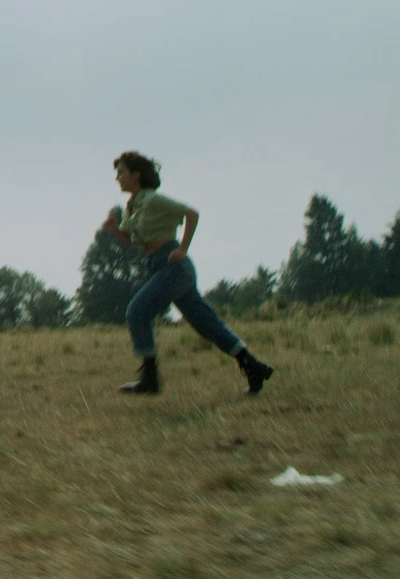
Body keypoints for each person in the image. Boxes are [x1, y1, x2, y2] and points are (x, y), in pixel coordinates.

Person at [101, 151, 274, 396]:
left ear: (136, 175)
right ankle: (254, 367)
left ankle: (150, 379)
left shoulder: (152, 200)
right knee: (206, 324)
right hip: (159, 266)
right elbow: (136, 241)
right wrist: (113, 230)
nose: (117, 178)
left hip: (174, 266)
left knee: (137, 311)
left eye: (121, 173)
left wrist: (182, 249)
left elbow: (191, 213)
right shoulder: (131, 208)